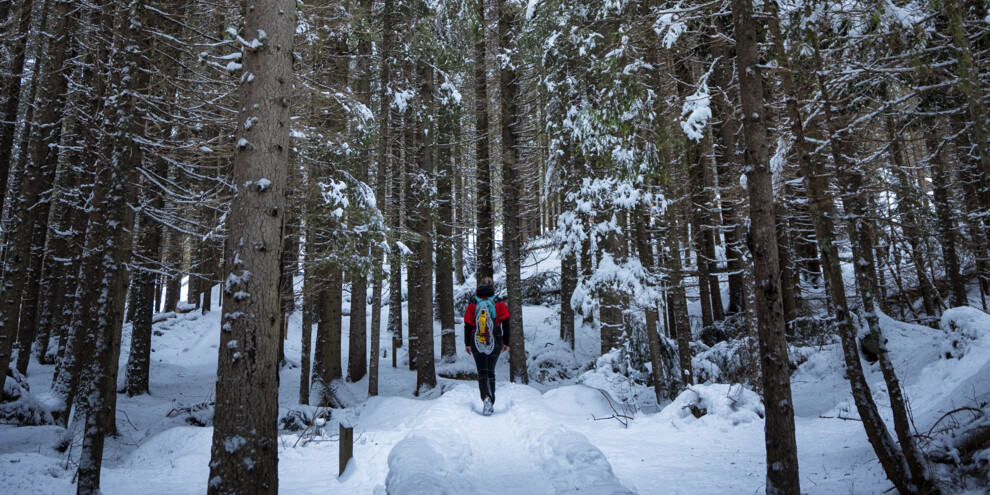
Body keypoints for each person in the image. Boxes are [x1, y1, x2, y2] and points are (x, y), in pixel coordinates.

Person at [463, 277, 510, 415]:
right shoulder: (499, 302)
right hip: (495, 338)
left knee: (482, 372)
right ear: (492, 287)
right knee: (491, 371)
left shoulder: (473, 302)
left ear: (479, 286)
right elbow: (506, 322)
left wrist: (467, 343)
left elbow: (467, 324)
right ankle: (491, 399)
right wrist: (506, 341)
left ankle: (486, 398)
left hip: (476, 338)